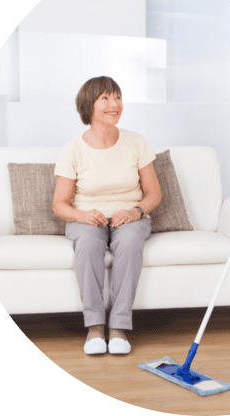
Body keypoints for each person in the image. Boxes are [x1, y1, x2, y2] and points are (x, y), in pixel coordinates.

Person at [53, 76, 161, 355]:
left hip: (130, 217)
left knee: (130, 243)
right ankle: (94, 328)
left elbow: (153, 194)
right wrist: (82, 215)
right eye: (106, 98)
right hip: (87, 219)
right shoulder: (72, 149)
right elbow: (59, 205)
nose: (115, 104)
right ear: (89, 105)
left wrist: (136, 211)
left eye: (118, 97)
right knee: (88, 245)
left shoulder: (136, 142)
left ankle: (119, 328)